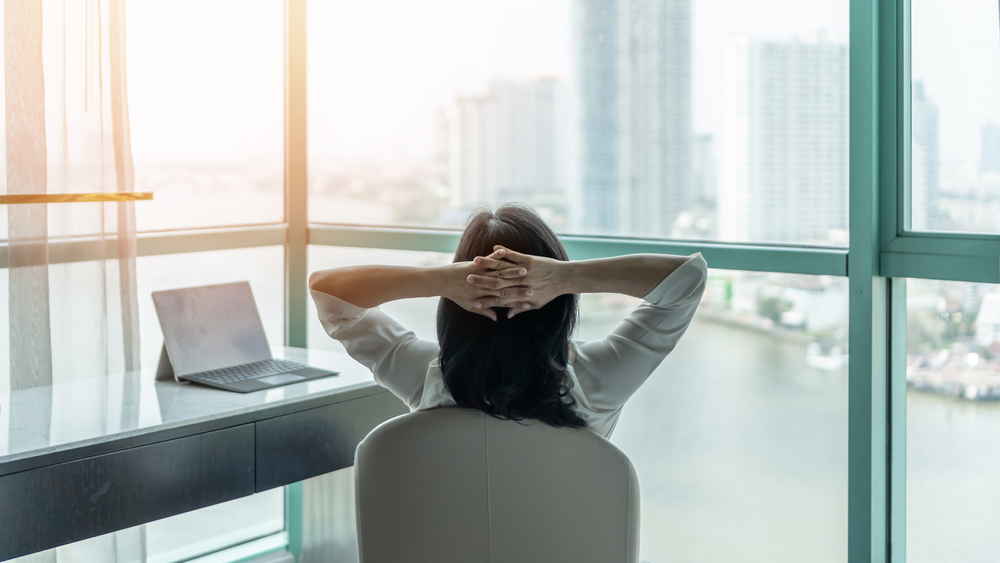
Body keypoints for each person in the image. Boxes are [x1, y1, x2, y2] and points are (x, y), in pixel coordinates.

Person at [309, 204, 707, 438]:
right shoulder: (599, 379)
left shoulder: (425, 377)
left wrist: (439, 280)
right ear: (558, 303)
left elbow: (330, 293)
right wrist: (566, 277)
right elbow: (686, 279)